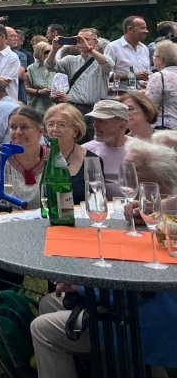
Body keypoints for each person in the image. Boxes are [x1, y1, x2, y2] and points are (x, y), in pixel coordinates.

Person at [29, 137, 177, 378]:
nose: (124, 176)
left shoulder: (168, 228)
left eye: (134, 170)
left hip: (150, 322)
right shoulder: (158, 214)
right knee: (49, 302)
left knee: (42, 328)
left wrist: (80, 286)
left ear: (161, 181)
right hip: (137, 308)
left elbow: (135, 286)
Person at [0, 106, 47, 207]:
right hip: (5, 219)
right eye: (13, 127)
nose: (18, 132)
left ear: (40, 131)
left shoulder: (52, 157)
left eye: (24, 127)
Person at [44, 28, 112, 119]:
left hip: (97, 108)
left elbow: (109, 65)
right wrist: (54, 50)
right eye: (79, 39)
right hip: (75, 108)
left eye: (86, 39)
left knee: (95, 133)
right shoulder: (70, 60)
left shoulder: (101, 59)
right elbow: (49, 66)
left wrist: (89, 49)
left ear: (95, 43)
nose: (82, 42)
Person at [42, 104, 98, 204]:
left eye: (62, 125)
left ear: (75, 130)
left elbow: (98, 196)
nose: (55, 129)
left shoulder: (91, 159)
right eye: (50, 124)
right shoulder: (41, 155)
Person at [82, 99, 129, 197]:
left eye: (101, 121)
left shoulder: (139, 150)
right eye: (94, 120)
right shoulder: (86, 151)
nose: (95, 125)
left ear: (121, 126)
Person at [104, 15, 151, 87]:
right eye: (142, 28)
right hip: (121, 94)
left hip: (143, 94)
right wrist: (131, 76)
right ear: (130, 29)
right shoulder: (113, 47)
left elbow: (148, 72)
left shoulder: (144, 48)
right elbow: (106, 75)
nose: (146, 31)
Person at [145, 39, 177, 129]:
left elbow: (149, 105)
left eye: (154, 56)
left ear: (161, 59)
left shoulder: (159, 76)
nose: (152, 58)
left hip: (165, 128)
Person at [25, 41, 56, 116]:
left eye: (51, 51)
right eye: (46, 52)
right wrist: (38, 91)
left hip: (53, 108)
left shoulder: (55, 66)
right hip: (36, 108)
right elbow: (26, 88)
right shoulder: (31, 68)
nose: (49, 54)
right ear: (39, 52)